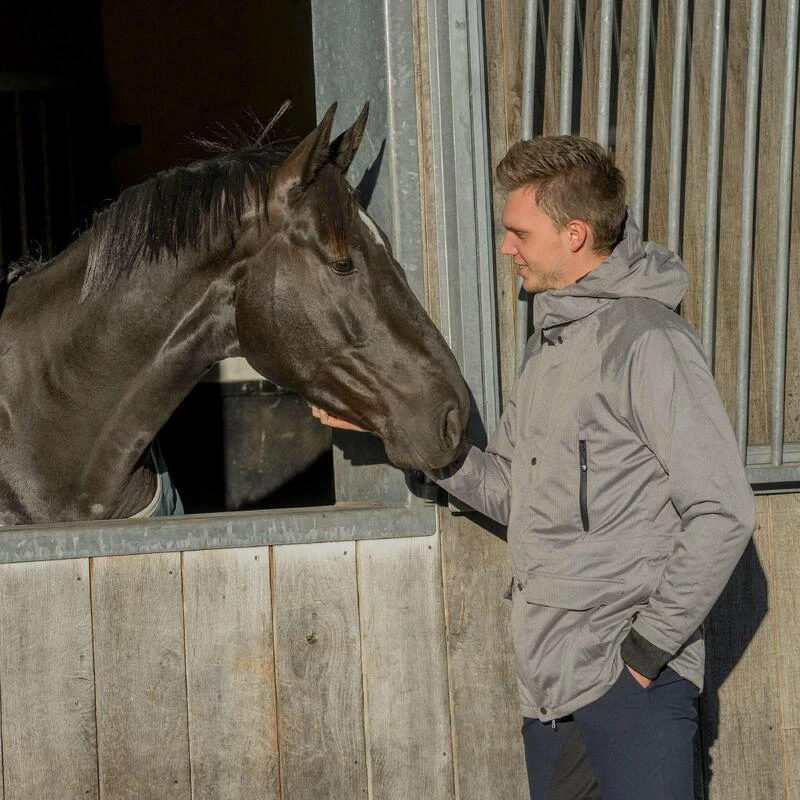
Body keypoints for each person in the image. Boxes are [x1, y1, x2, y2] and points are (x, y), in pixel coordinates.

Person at [311, 135, 755, 800]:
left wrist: (645, 653)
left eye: (519, 232)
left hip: (631, 684)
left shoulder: (649, 342)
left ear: (575, 234)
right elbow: (513, 495)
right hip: (550, 687)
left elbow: (723, 510)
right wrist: (404, 434)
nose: (505, 247)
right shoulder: (547, 349)